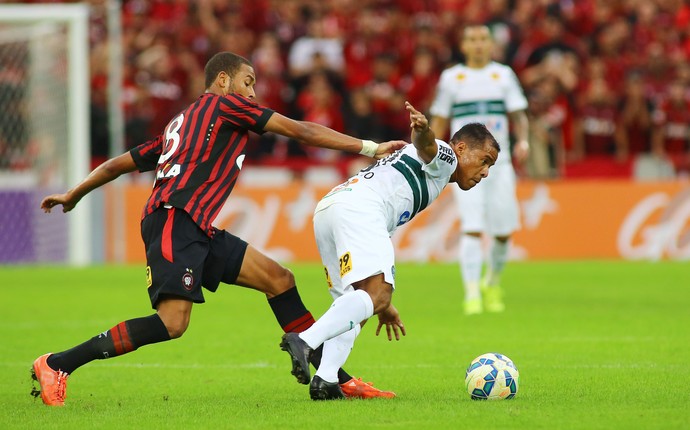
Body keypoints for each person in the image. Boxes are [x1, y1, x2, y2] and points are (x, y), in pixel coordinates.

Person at [31, 52, 406, 406]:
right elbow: (300, 130)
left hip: (195, 226)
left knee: (279, 279)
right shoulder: (226, 105)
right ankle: (57, 364)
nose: (253, 92)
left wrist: (74, 194)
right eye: (248, 81)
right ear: (223, 80)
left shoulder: (180, 123)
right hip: (174, 220)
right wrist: (371, 148)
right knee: (173, 323)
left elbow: (118, 165)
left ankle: (335, 377)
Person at [280, 102, 500, 400]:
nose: (485, 172)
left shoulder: (423, 174)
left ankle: (326, 379)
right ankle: (305, 340)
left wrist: (379, 304)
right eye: (484, 160)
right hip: (360, 208)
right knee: (377, 293)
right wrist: (422, 131)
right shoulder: (446, 155)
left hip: (331, 208)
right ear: (461, 148)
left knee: (355, 304)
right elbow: (429, 147)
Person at [429, 25, 529, 315]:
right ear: (463, 45)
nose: (478, 45)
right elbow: (439, 117)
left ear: (490, 44)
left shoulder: (503, 75)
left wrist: (523, 140)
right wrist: (433, 152)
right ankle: (471, 293)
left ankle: (493, 282)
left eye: (483, 39)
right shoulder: (451, 78)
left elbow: (518, 114)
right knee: (472, 228)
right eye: (472, 39)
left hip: (501, 165)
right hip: (464, 167)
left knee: (502, 233)